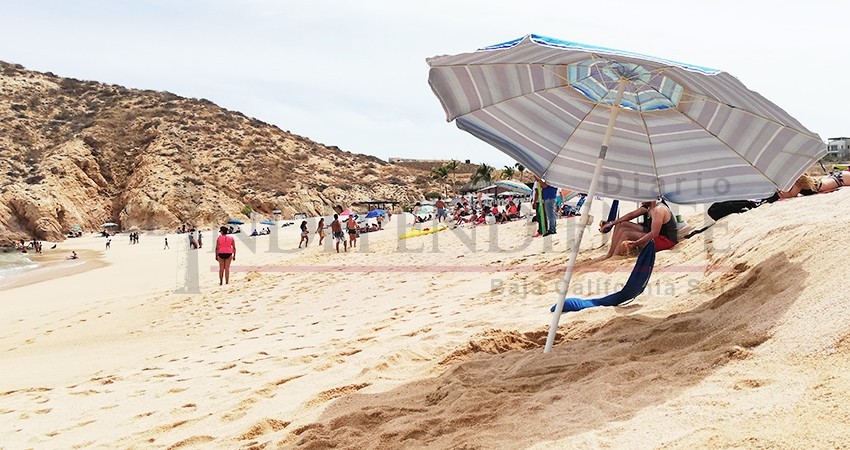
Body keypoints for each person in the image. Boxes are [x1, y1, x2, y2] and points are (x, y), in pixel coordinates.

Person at [599, 199, 678, 259]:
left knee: (626, 233)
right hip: (656, 234)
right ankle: (610, 254)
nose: (640, 201)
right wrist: (611, 223)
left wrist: (635, 243)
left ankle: (615, 256)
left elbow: (654, 233)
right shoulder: (649, 206)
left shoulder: (658, 209)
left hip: (666, 241)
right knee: (621, 224)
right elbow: (631, 215)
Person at [778, 171, 850, 198]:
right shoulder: (794, 180)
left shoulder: (799, 180)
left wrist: (777, 189)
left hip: (840, 179)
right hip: (837, 178)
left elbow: (790, 195)